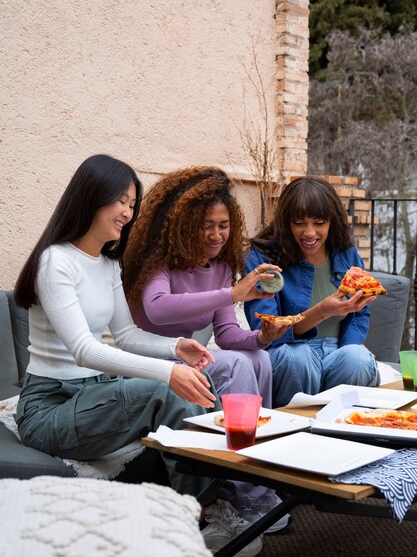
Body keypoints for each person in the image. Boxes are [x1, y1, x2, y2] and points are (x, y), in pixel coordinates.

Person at [13, 154, 223, 500]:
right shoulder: (55, 261)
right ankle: (199, 510)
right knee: (167, 388)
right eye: (120, 201)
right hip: (50, 407)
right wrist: (167, 374)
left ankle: (218, 495)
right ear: (92, 197)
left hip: (93, 395)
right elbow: (83, 350)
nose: (128, 212)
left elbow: (125, 336)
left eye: (132, 204)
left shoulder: (108, 264)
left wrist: (176, 348)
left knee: (201, 382)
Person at [123, 165, 293, 543]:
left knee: (256, 359)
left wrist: (262, 336)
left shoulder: (218, 267)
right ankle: (246, 498)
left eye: (223, 225)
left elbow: (228, 334)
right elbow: (158, 308)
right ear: (183, 224)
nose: (217, 235)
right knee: (233, 364)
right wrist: (234, 294)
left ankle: (253, 482)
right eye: (206, 226)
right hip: (147, 364)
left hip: (189, 361)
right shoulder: (158, 263)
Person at [244, 175, 380, 408]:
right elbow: (265, 328)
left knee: (356, 358)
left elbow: (360, 315)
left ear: (331, 221)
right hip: (289, 354)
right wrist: (321, 311)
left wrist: (352, 344)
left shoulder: (347, 254)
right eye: (299, 223)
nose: (309, 233)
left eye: (319, 223)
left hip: (338, 352)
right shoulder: (262, 258)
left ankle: (341, 433)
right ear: (286, 221)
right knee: (299, 358)